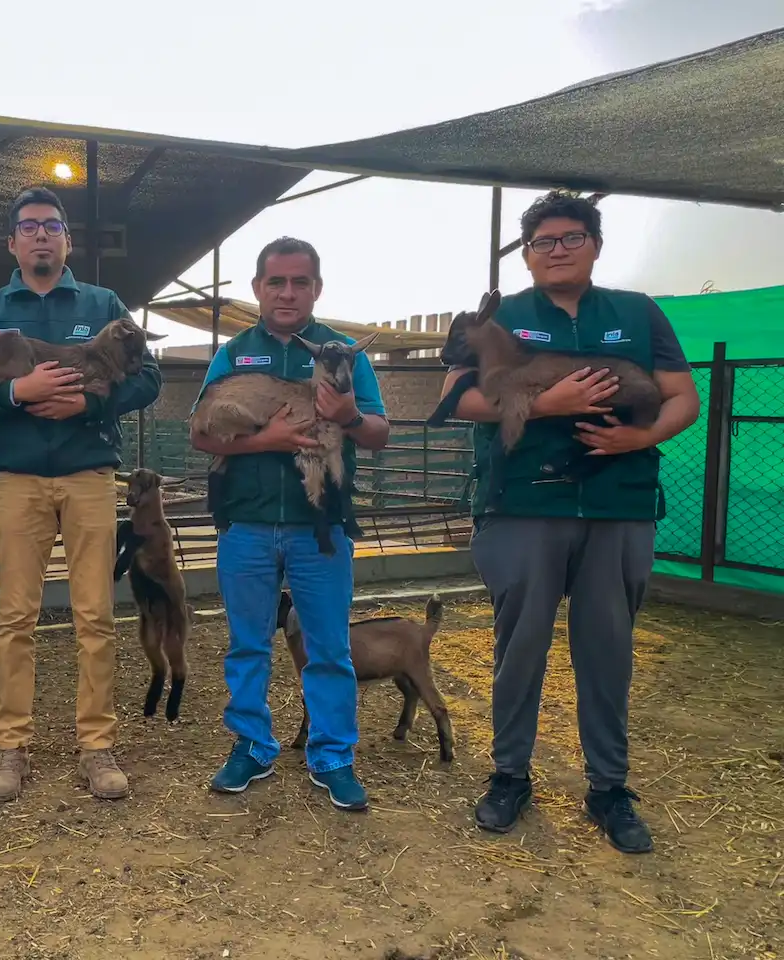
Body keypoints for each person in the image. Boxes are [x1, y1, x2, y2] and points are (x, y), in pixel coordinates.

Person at [438, 191, 700, 853]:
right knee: (519, 648)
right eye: (544, 241)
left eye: (571, 237)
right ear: (527, 255)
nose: (558, 249)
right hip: (525, 506)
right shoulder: (503, 319)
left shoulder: (637, 314)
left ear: (594, 245)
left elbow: (682, 397)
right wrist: (548, 403)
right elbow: (455, 398)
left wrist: (641, 441)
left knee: (608, 653)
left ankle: (609, 788)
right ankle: (508, 775)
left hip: (618, 506)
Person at [0, 186, 162, 802]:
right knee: (15, 617)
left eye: (52, 226)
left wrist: (92, 399)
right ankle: (11, 747)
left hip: (90, 474)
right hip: (17, 478)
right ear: (12, 242)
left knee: (95, 614)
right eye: (30, 226)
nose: (42, 234)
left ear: (67, 240)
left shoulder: (102, 303)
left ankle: (97, 746)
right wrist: (18, 394)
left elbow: (149, 379)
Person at [189, 236, 390, 811]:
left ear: (316, 288)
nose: (287, 292)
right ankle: (252, 744)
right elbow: (201, 434)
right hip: (246, 522)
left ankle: (332, 755)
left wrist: (348, 416)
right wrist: (266, 441)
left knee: (328, 645)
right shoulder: (235, 353)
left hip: (317, 527)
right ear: (256, 289)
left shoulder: (343, 353)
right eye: (276, 281)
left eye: (300, 282)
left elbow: (378, 434)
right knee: (248, 643)